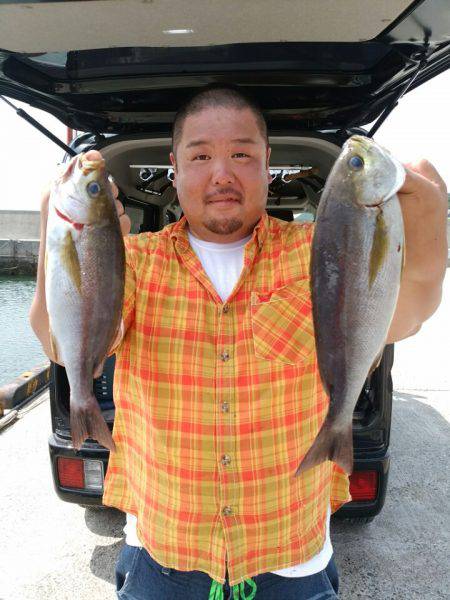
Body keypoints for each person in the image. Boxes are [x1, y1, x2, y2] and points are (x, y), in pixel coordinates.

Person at [30, 84, 448, 600]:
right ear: (175, 167)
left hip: (293, 557)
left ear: (267, 162)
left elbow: (413, 306)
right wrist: (64, 228)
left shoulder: (319, 252)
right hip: (163, 554)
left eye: (242, 154)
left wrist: (423, 199)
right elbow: (56, 340)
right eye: (201, 154)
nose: (222, 173)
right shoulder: (132, 260)